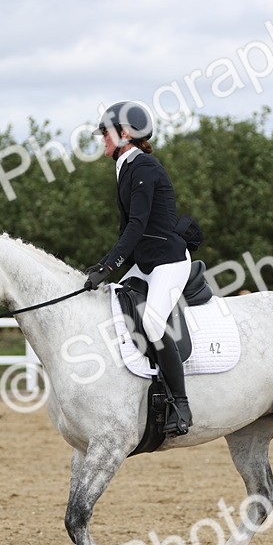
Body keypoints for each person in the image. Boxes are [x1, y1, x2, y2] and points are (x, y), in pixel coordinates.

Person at [83, 101, 193, 435]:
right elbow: (127, 230)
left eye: (106, 132)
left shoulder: (143, 166)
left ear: (125, 133)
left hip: (169, 263)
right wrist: (106, 270)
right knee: (112, 307)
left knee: (153, 323)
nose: (102, 138)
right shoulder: (125, 167)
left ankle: (181, 405)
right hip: (146, 263)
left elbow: (138, 225)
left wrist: (109, 265)